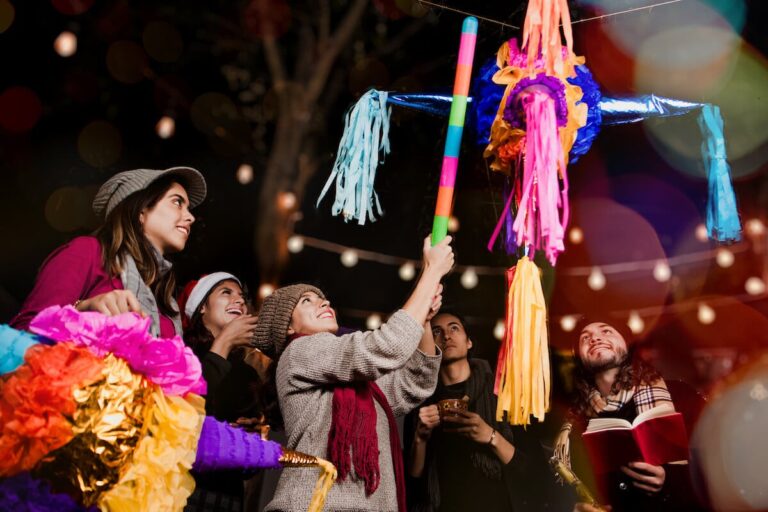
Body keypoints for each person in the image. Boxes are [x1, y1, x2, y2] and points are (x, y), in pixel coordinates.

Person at [253, 235, 454, 512]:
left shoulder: (357, 378)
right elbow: (387, 346)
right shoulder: (298, 352)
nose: (324, 303)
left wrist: (425, 321)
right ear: (287, 327)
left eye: (323, 299)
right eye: (307, 301)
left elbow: (415, 382)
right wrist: (430, 272)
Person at [11, 167, 206, 339]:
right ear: (141, 210)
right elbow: (22, 333)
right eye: (177, 202)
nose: (190, 217)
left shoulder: (167, 302)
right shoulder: (89, 252)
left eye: (188, 208)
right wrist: (81, 310)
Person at [406, 311, 554, 512]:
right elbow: (412, 486)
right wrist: (420, 439)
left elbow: (533, 471)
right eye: (436, 332)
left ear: (469, 342)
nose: (446, 336)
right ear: (428, 345)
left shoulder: (501, 394)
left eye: (454, 328)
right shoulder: (420, 401)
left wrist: (491, 436)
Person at [554, 320, 701, 512]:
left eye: (606, 331)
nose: (595, 338)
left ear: (628, 344)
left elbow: (713, 469)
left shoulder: (681, 396)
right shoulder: (573, 423)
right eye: (585, 337)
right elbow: (561, 488)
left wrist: (669, 479)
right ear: (579, 357)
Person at [179, 272, 276, 512]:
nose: (240, 300)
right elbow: (186, 419)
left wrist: (255, 436)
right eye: (226, 292)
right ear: (202, 307)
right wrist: (223, 342)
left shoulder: (248, 374)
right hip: (182, 492)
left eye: (242, 296)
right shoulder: (181, 355)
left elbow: (248, 467)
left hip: (228, 498)